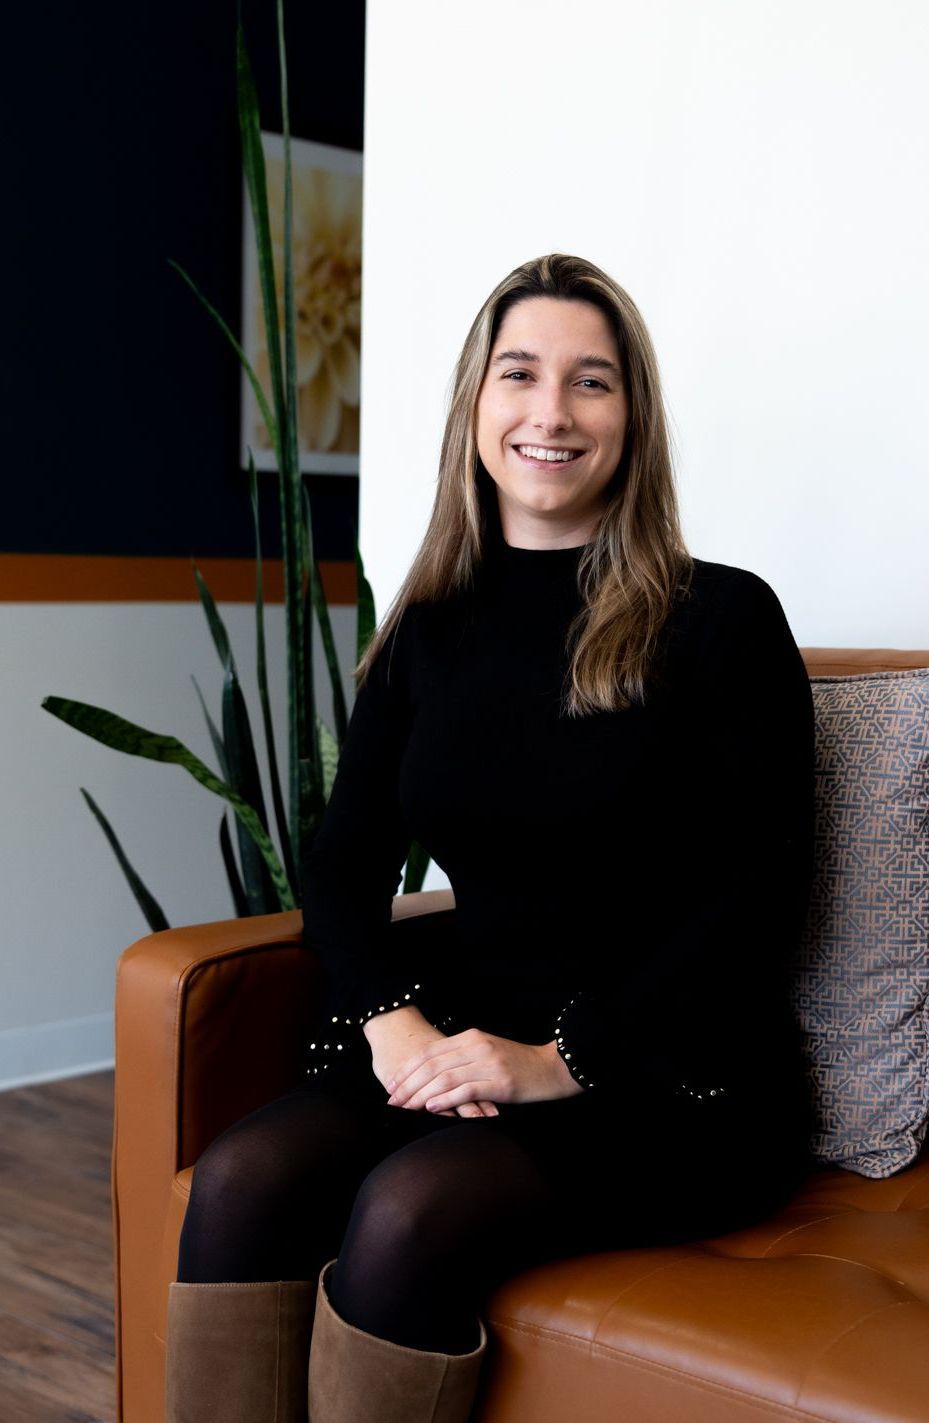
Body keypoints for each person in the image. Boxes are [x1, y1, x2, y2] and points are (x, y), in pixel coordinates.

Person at [164, 253, 817, 1423]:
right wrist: (397, 1025)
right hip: (468, 1035)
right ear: (477, 405)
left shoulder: (720, 617)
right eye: (518, 374)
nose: (550, 413)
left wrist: (554, 1061)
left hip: (671, 1069)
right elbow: (341, 865)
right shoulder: (428, 626)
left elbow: (753, 895)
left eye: (591, 382)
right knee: (242, 1175)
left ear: (633, 417)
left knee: (410, 1210)